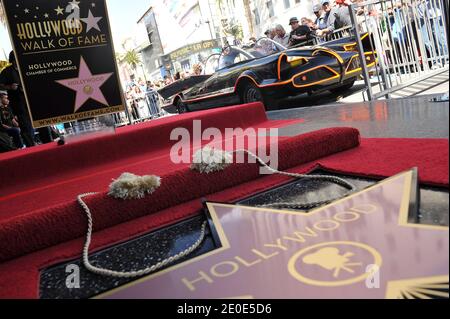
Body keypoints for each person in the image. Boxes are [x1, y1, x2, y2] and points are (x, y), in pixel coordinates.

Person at [0, 51, 35, 147]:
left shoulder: (25, 68)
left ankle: (40, 142)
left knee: (34, 123)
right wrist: (10, 87)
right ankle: (31, 145)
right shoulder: (6, 71)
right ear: (13, 59)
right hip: (18, 102)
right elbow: (1, 85)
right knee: (25, 125)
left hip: (30, 100)